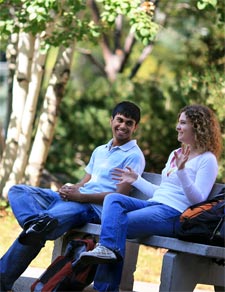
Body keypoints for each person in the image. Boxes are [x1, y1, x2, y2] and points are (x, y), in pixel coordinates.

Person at [0, 101, 146, 292]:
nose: (123, 126)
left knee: (43, 225)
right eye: (120, 120)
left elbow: (118, 197)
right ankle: (33, 223)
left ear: (135, 127)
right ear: (111, 120)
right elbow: (84, 181)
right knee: (18, 191)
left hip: (91, 207)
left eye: (129, 123)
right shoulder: (100, 150)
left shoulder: (134, 156)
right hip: (75, 199)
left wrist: (81, 197)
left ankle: (3, 278)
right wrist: (70, 189)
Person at [79, 104, 223, 290]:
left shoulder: (207, 159)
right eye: (178, 122)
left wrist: (182, 172)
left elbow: (198, 200)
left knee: (117, 228)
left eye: (183, 123)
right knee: (113, 199)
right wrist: (136, 179)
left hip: (175, 214)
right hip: (155, 205)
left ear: (197, 126)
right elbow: (162, 192)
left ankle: (104, 287)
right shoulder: (176, 154)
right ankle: (106, 273)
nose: (177, 127)